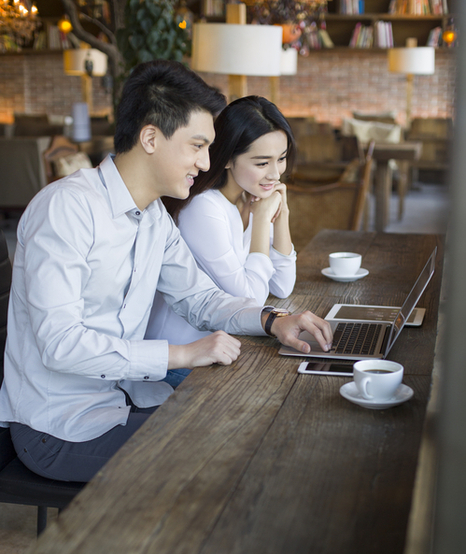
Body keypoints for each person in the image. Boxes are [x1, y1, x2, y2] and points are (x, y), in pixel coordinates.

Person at [0, 60, 332, 483]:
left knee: (256, 421)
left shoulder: (153, 216)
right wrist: (182, 354)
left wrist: (273, 320)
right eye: (197, 146)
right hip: (60, 429)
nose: (206, 162)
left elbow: (200, 299)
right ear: (151, 138)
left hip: (124, 399)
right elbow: (60, 344)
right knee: (232, 458)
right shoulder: (66, 209)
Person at [146, 96, 297, 375]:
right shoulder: (204, 208)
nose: (275, 174)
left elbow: (283, 285)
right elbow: (252, 297)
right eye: (262, 163)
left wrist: (282, 216)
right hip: (182, 356)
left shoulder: (249, 195)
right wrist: (263, 220)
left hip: (226, 344)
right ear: (228, 158)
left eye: (282, 158)